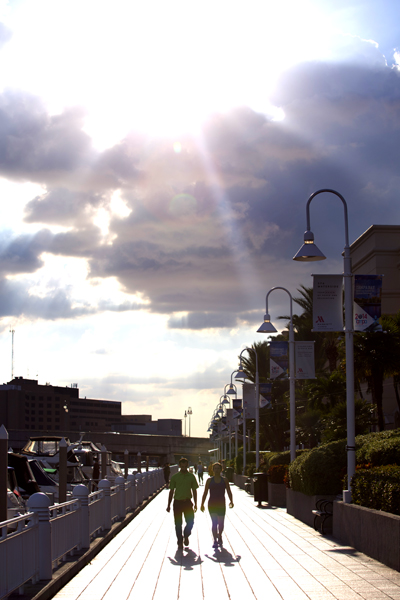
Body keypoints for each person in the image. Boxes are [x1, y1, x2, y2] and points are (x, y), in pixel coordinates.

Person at [167, 457, 199, 549]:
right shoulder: (175, 477)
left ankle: (186, 535)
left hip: (187, 503)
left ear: (188, 466)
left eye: (186, 466)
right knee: (178, 523)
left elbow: (194, 491)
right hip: (177, 503)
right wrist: (168, 505)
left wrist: (196, 503)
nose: (184, 469)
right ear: (180, 466)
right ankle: (180, 541)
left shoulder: (191, 477)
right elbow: (171, 491)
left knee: (190, 522)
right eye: (182, 467)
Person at [200, 461, 234, 548]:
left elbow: (229, 491)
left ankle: (220, 535)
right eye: (215, 468)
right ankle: (215, 540)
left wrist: (231, 501)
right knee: (214, 523)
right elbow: (205, 493)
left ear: (221, 469)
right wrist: (202, 504)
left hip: (221, 504)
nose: (217, 470)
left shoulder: (225, 480)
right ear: (213, 470)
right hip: (212, 504)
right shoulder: (209, 480)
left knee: (221, 523)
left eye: (218, 468)